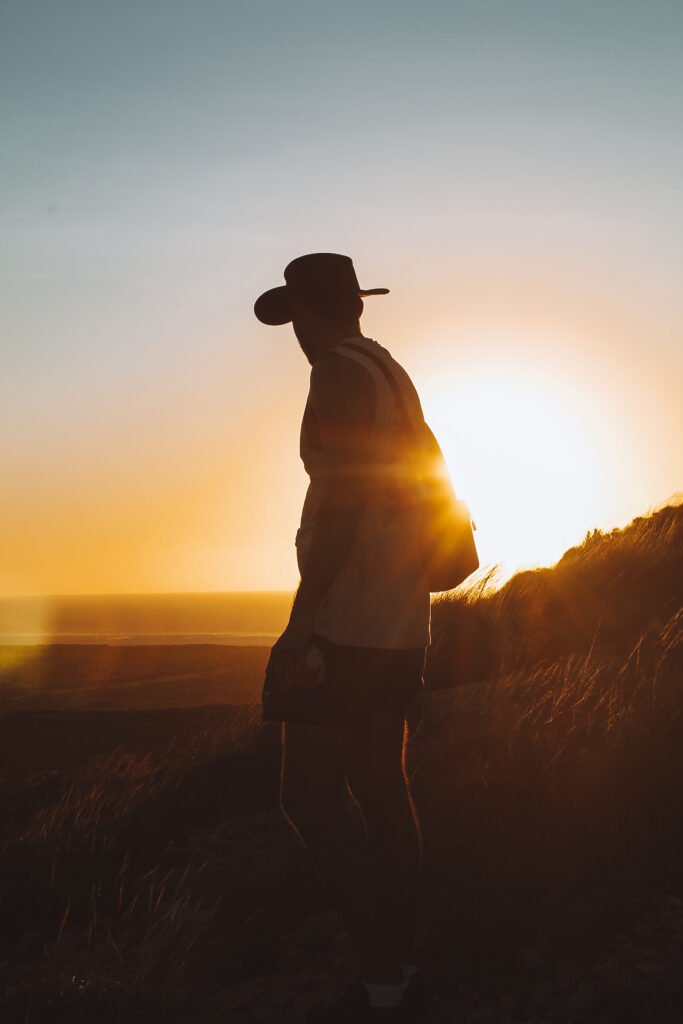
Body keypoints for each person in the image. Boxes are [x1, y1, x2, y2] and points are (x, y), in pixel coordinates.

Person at [254, 253, 433, 1021]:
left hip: (345, 618)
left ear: (309, 313)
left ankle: (381, 970)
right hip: (398, 615)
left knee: (309, 796)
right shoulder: (389, 371)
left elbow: (349, 496)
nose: (293, 333)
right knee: (381, 787)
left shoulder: (332, 371)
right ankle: (406, 961)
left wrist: (302, 620)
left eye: (293, 317)